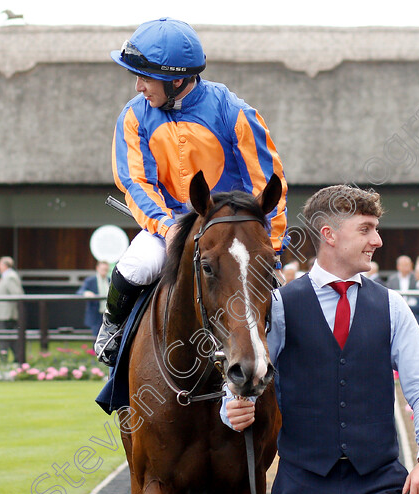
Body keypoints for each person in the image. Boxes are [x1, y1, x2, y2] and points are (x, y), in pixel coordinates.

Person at [222, 185, 419, 494]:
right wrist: (232, 407)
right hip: (303, 489)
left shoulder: (392, 306)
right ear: (329, 234)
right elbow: (246, 377)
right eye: (365, 229)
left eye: (376, 229)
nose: (377, 241)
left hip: (379, 486)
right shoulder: (279, 306)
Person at [96, 17, 288, 366]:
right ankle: (113, 334)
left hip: (235, 233)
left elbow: (268, 184)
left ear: (177, 80)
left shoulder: (235, 112)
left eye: (145, 77)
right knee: (133, 269)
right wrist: (166, 227)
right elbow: (136, 182)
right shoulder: (133, 116)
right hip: (166, 227)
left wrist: (270, 247)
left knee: (285, 304)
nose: (138, 86)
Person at [0, 256, 24, 362]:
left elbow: (17, 294)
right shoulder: (6, 276)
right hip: (3, 314)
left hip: (6, 314)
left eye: (0, 264)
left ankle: (7, 360)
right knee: (9, 338)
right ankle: (16, 359)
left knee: (5, 339)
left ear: (4, 265)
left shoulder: (10, 277)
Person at [387, 255, 419, 330]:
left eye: (408, 265)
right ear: (398, 266)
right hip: (396, 310)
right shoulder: (392, 279)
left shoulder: (415, 278)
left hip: (413, 310)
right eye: (403, 265)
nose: (406, 267)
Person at [77, 260, 110, 337]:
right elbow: (80, 291)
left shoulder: (109, 280)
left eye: (106, 270)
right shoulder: (90, 280)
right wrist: (86, 293)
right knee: (96, 337)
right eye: (103, 269)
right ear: (97, 268)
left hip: (108, 314)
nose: (104, 271)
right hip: (96, 314)